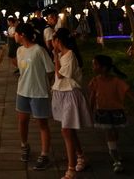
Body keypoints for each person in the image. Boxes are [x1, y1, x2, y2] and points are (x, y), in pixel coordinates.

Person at [88, 54, 134, 173]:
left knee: (114, 134)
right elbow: (92, 97)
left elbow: (130, 94)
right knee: (109, 133)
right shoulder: (95, 81)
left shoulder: (117, 81)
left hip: (116, 113)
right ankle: (116, 160)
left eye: (95, 64)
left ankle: (114, 150)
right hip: (102, 113)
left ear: (104, 68)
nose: (93, 67)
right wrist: (89, 110)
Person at [51, 28, 93, 179]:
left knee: (66, 130)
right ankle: (81, 156)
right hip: (62, 94)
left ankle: (71, 169)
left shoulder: (69, 55)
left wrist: (55, 55)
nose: (52, 43)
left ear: (58, 41)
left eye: (53, 40)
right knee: (69, 130)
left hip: (70, 94)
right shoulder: (63, 54)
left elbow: (59, 75)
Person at [14, 23, 54, 170]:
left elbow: (50, 71)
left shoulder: (39, 50)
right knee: (22, 121)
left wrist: (44, 84)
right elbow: (22, 70)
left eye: (16, 33)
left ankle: (45, 155)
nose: (14, 36)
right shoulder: (19, 50)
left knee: (42, 124)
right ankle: (24, 145)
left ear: (22, 35)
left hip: (38, 93)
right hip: (22, 91)